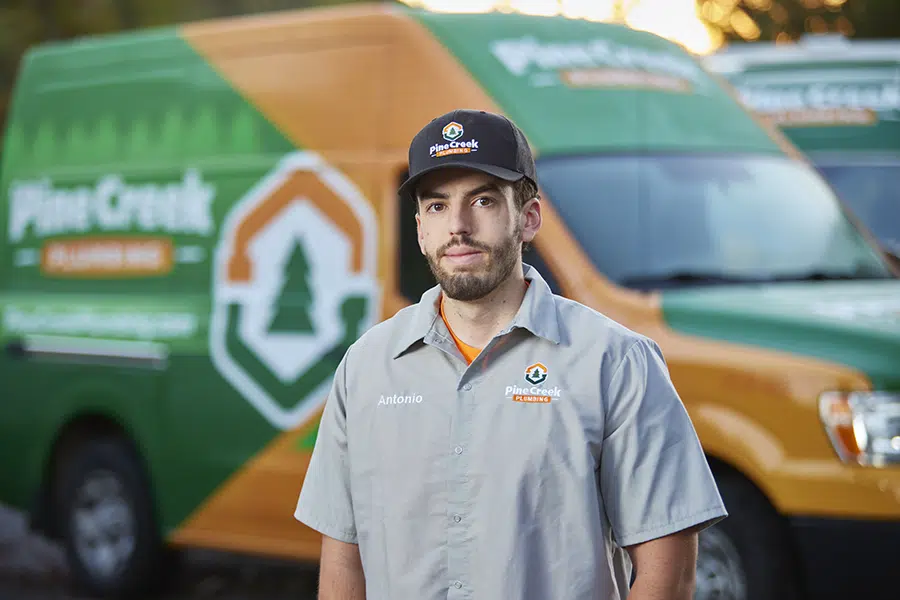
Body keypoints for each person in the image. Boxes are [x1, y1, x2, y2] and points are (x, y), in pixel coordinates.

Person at [294, 108, 728, 600]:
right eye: (437, 206)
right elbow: (343, 566)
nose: (457, 226)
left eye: (483, 200)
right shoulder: (365, 367)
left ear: (528, 217)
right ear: (419, 229)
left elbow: (668, 575)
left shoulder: (617, 362)